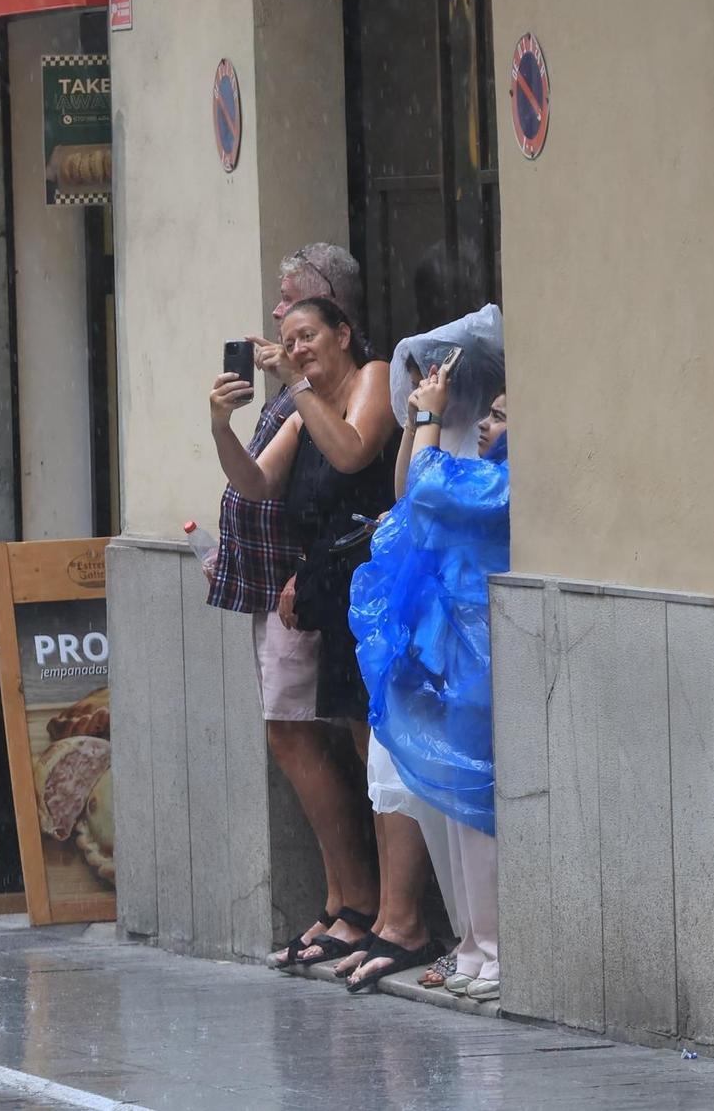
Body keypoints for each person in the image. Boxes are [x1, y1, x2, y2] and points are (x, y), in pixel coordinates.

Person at [211, 294, 409, 969]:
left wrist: (295, 384)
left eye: (307, 336)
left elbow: (352, 453)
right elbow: (255, 482)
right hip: (335, 595)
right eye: (288, 340)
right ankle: (375, 911)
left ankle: (397, 916)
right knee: (361, 747)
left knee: (383, 752)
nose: (295, 349)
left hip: (379, 587)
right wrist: (221, 427)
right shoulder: (305, 407)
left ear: (344, 334)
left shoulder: (372, 377)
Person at [350, 363, 509, 1000]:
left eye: (500, 416)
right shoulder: (487, 474)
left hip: (482, 658)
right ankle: (474, 941)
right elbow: (412, 499)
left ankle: (495, 949)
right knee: (458, 806)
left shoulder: (502, 482)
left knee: (477, 805)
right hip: (460, 657)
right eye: (487, 413)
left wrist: (429, 418)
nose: (487, 425)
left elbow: (425, 486)